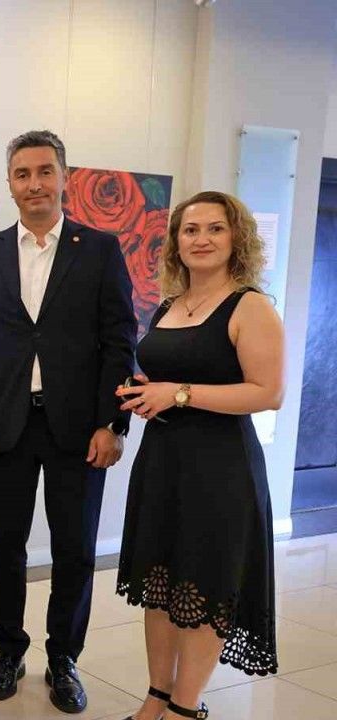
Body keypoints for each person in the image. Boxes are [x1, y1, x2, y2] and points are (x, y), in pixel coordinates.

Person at [0, 129, 136, 713]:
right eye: (23, 174)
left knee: (75, 547)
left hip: (79, 429)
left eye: (44, 171)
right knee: (5, 546)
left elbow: (120, 342)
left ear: (64, 178)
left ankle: (64, 658)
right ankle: (9, 651)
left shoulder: (99, 249)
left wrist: (113, 423)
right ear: (10, 184)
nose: (34, 183)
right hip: (4, 425)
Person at [115, 191, 283, 720]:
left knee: (204, 585)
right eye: (190, 230)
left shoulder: (250, 306)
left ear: (237, 238)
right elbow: (172, 376)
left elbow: (267, 393)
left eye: (215, 228)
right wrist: (146, 391)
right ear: (176, 241)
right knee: (159, 581)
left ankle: (185, 708)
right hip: (163, 462)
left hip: (221, 469)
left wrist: (179, 394)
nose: (201, 239)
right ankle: (156, 696)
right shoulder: (170, 305)